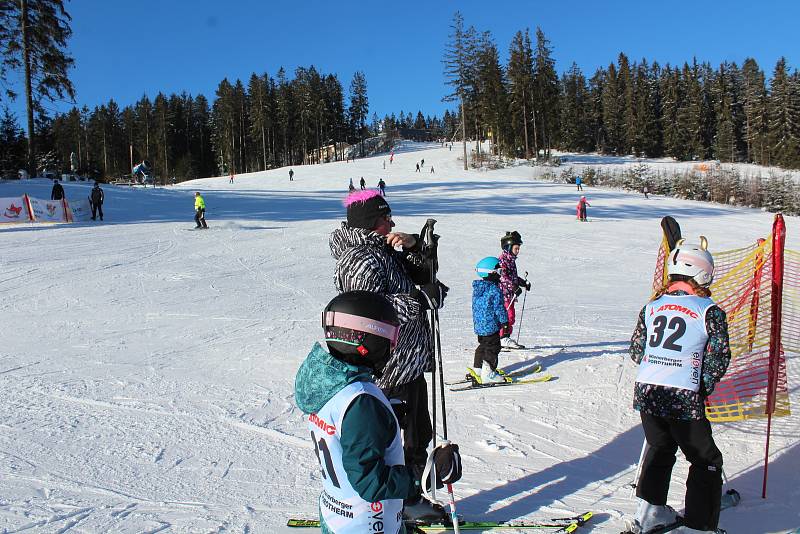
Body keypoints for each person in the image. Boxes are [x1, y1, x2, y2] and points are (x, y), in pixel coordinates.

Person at [294, 291, 462, 534]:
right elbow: (370, 481)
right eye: (390, 337)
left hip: (338, 515)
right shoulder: (362, 402)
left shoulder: (330, 382)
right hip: (370, 524)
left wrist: (384, 416)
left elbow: (343, 428)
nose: (392, 348)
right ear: (368, 341)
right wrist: (428, 475)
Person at [329, 189, 450, 522]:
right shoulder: (358, 258)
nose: (392, 223)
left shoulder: (382, 251)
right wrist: (416, 299)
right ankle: (398, 503)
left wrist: (418, 250)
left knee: (416, 437)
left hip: (407, 362)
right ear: (371, 223)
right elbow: (365, 314)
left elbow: (422, 279)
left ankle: (410, 496)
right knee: (392, 445)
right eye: (386, 218)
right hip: (387, 367)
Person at [627, 237, 730, 534]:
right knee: (706, 459)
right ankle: (699, 525)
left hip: (648, 389)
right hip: (682, 392)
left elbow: (637, 351)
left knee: (660, 447)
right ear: (704, 274)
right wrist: (703, 386)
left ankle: (649, 513)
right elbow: (719, 354)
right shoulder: (708, 309)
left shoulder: (653, 305)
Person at [471, 257, 510, 384]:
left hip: (480, 327)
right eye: (499, 272)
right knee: (493, 347)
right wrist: (504, 322)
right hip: (491, 326)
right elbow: (499, 308)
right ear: (491, 273)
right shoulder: (494, 290)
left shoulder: (478, 289)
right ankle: (488, 374)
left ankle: (478, 369)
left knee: (483, 346)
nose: (500, 275)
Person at [498, 231, 530, 349]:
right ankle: (502, 338)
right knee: (507, 316)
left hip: (509, 294)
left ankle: (505, 337)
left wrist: (522, 283)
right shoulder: (503, 260)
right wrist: (514, 287)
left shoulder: (511, 260)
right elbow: (502, 277)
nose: (518, 251)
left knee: (510, 316)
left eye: (519, 248)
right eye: (516, 248)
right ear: (509, 247)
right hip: (503, 294)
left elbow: (513, 277)